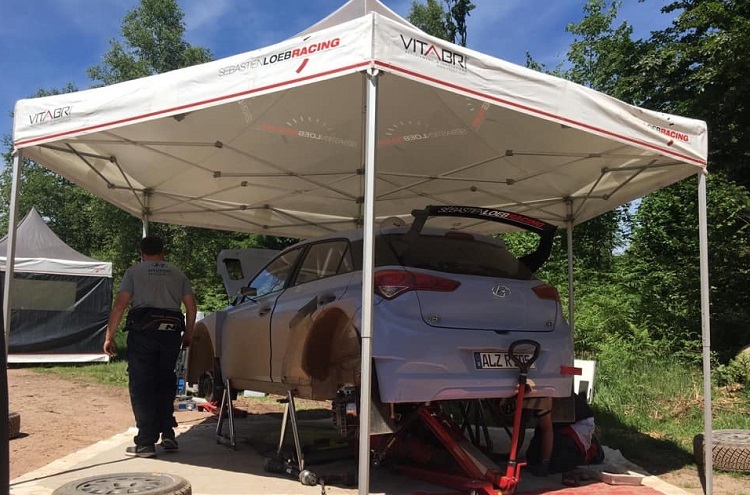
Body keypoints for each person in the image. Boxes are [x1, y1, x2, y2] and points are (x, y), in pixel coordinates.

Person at [103, 235, 196, 458]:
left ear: (142, 253)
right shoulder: (177, 273)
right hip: (171, 333)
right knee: (165, 380)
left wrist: (109, 336)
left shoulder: (134, 272)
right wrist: (188, 333)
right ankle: (168, 433)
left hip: (144, 333)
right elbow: (191, 306)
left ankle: (145, 443)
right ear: (163, 252)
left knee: (142, 384)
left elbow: (120, 306)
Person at [525, 392, 605, 476]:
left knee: (556, 463)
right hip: (556, 422)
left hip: (578, 422)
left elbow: (547, 429)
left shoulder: (542, 397)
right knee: (532, 458)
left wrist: (544, 463)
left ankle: (591, 450)